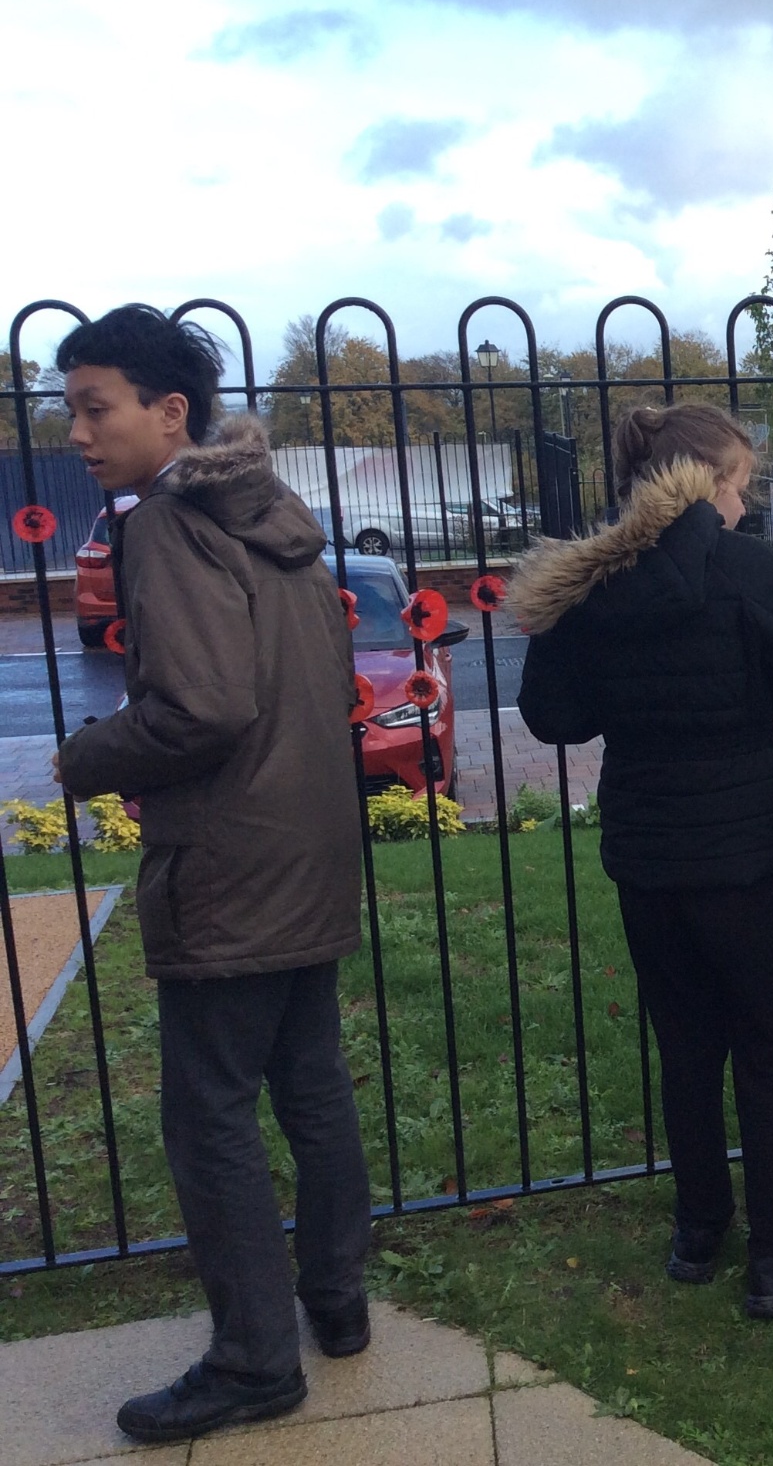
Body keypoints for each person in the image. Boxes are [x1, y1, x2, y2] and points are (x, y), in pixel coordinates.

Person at [54, 305, 371, 1442]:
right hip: (311, 848)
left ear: (168, 410)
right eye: (71, 409)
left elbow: (202, 706)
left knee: (210, 1115)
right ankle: (334, 1303)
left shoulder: (165, 528)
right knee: (312, 1087)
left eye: (96, 407)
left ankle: (251, 1362)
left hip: (232, 865)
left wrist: (84, 755)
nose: (78, 432)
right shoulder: (273, 518)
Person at [511, 401, 773, 1319]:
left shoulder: (593, 582)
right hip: (746, 851)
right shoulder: (742, 565)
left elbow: (554, 716)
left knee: (686, 1039)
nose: (741, 505)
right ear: (704, 482)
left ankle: (700, 1229)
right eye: (737, 485)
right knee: (772, 1046)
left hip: (649, 849)